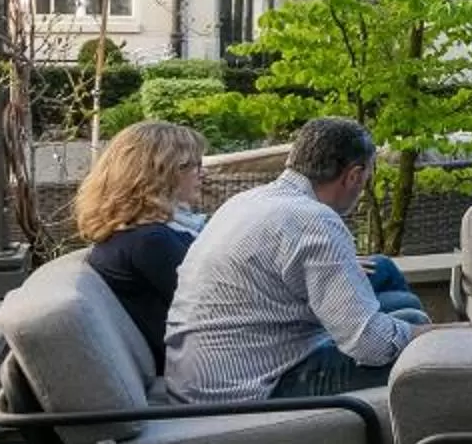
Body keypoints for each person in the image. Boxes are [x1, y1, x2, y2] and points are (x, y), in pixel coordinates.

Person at [163, 117, 427, 403]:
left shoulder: (246, 201)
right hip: (246, 391)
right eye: (365, 179)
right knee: (422, 359)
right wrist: (457, 333)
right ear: (353, 176)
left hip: (202, 379)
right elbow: (369, 345)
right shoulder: (313, 219)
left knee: (407, 318)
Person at [77, 120, 209, 372]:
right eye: (192, 165)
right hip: (202, 372)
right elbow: (217, 307)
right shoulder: (151, 241)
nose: (202, 172)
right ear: (160, 173)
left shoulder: (129, 234)